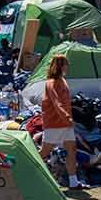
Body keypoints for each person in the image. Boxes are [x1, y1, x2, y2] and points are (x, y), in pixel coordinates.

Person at [40, 54, 84, 190]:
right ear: (60, 66)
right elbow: (56, 102)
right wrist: (67, 117)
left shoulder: (63, 80)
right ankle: (25, 169)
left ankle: (73, 182)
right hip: (55, 123)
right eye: (65, 64)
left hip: (66, 123)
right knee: (45, 151)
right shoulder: (51, 83)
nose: (67, 66)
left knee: (71, 150)